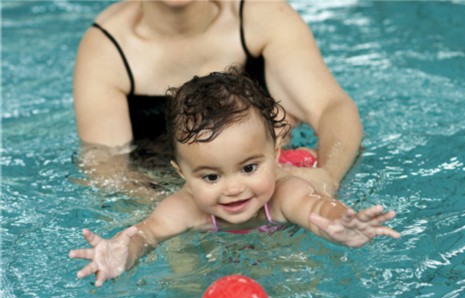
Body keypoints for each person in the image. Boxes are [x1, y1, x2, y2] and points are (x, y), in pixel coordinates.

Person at [69, 70, 399, 287]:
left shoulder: (284, 191)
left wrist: (341, 222)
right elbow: (147, 233)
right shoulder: (185, 207)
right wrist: (124, 252)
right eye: (211, 177)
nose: (234, 188)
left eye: (249, 168)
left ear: (273, 154)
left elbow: (316, 208)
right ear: (182, 175)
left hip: (297, 163)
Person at [73, 0, 363, 196]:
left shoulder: (259, 14)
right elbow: (107, 168)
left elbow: (333, 108)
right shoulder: (107, 48)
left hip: (272, 183)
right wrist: (188, 213)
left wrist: (328, 175)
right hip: (167, 193)